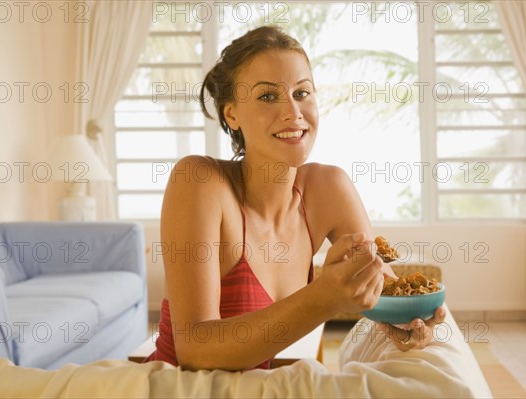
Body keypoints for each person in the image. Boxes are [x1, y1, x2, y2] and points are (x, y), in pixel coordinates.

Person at [144, 25, 445, 371]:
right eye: (268, 96)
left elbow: (382, 294)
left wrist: (408, 324)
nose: (293, 112)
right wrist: (322, 298)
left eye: (302, 93)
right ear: (231, 113)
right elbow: (196, 351)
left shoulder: (329, 188)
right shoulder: (199, 181)